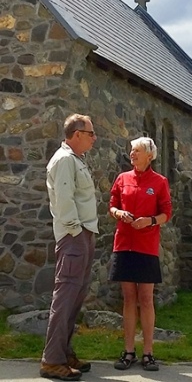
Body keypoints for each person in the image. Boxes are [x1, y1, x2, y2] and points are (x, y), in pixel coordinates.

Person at [40, 114, 99, 381]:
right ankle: (52, 361)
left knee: (74, 299)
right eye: (90, 133)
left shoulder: (75, 160)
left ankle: (63, 354)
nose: (94, 138)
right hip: (74, 237)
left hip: (82, 236)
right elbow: (64, 202)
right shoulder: (64, 160)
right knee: (65, 299)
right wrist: (77, 231)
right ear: (76, 134)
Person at [108, 137, 172, 372]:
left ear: (149, 155)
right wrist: (119, 213)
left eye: (137, 151)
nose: (132, 154)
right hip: (124, 244)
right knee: (128, 298)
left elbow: (167, 212)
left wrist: (150, 221)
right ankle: (128, 351)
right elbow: (112, 204)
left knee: (145, 298)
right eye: (131, 151)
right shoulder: (122, 178)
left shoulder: (160, 181)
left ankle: (148, 352)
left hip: (147, 247)